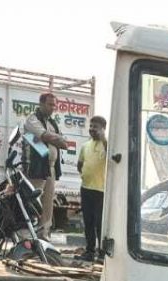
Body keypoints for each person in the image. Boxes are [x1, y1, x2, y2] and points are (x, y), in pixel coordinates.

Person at [23, 93, 68, 240]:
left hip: (51, 168)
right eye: (50, 104)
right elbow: (45, 137)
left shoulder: (52, 123)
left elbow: (64, 143)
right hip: (36, 167)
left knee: (48, 203)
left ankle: (44, 235)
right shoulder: (32, 119)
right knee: (33, 202)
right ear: (41, 104)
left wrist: (55, 138)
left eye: (54, 105)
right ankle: (28, 235)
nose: (53, 107)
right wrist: (56, 138)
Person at [76, 115, 107, 261]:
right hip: (86, 189)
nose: (92, 129)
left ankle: (102, 254)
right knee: (88, 222)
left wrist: (103, 138)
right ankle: (89, 252)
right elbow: (80, 164)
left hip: (101, 190)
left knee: (99, 223)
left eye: (96, 127)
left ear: (103, 129)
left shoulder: (107, 145)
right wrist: (84, 175)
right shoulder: (85, 146)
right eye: (91, 126)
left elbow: (111, 154)